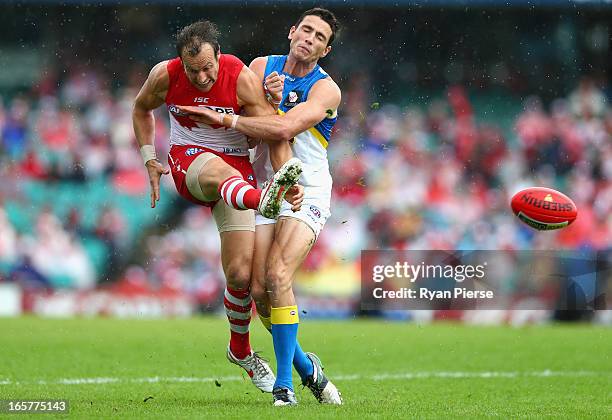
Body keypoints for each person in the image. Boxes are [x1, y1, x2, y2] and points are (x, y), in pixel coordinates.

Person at [178, 8, 343, 406]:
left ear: (326, 49)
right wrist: (257, 105)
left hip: (307, 188)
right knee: (256, 288)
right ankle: (308, 368)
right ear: (291, 32)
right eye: (305, 29)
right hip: (269, 186)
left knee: (277, 273)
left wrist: (233, 118)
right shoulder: (259, 67)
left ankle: (285, 387)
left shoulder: (327, 90)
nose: (310, 38)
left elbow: (285, 129)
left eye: (319, 36)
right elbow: (252, 144)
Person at [132, 20, 304, 393]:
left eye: (208, 67)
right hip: (190, 161)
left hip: (236, 173)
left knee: (241, 275)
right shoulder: (165, 75)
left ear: (219, 55)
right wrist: (149, 158)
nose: (203, 76)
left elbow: (273, 131)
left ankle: (239, 350)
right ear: (180, 62)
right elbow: (141, 108)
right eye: (193, 70)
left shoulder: (240, 77)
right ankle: (263, 199)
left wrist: (285, 175)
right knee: (220, 171)